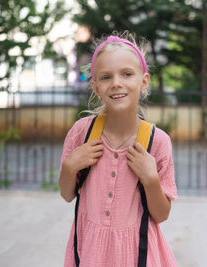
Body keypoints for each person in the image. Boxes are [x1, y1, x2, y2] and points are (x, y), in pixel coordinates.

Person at [59, 31, 178, 266]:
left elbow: (161, 215)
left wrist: (151, 180)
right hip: (90, 252)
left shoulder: (158, 142)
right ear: (95, 86)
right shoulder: (82, 133)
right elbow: (66, 194)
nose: (116, 83)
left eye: (127, 74)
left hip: (138, 255)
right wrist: (70, 166)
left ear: (144, 82)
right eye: (106, 77)